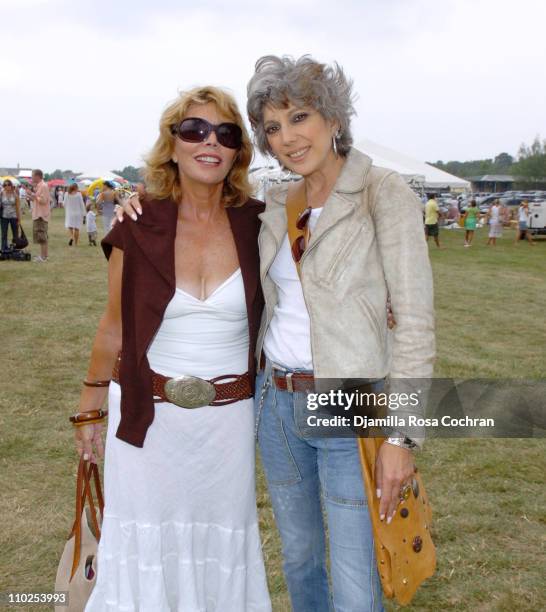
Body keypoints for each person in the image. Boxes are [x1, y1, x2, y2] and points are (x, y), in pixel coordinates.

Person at [118, 56, 435, 612]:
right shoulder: (274, 207)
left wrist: (401, 438)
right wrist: (138, 203)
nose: (287, 138)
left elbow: (414, 324)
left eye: (300, 117)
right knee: (300, 563)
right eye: (271, 126)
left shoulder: (382, 194)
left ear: (334, 119)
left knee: (358, 581)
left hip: (347, 404)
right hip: (275, 407)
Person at [74, 86, 271, 611]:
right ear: (173, 143)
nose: (210, 142)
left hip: (227, 427)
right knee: (144, 541)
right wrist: (88, 412)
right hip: (149, 424)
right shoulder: (139, 223)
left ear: (237, 152)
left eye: (225, 133)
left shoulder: (259, 224)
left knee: (222, 539)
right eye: (195, 130)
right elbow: (114, 326)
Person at [27, 169, 50, 262]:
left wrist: (33, 194)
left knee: (42, 236)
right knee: (41, 236)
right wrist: (31, 196)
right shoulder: (39, 186)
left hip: (41, 215)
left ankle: (43, 257)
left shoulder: (43, 186)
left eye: (32, 176)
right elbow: (37, 199)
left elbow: (43, 201)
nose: (32, 178)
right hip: (38, 213)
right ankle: (43, 255)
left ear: (37, 176)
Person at [0, 179, 21, 251]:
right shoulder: (1, 193)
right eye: (5, 185)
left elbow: (18, 208)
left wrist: (19, 219)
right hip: (4, 217)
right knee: (4, 234)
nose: (7, 186)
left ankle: (16, 248)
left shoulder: (15, 194)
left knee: (15, 234)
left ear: (11, 185)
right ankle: (3, 248)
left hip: (13, 216)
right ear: (3, 186)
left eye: (8, 184)